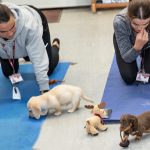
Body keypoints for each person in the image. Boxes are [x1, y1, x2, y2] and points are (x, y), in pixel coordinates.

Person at [0, 2, 60, 94]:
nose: (10, 34)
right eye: (3, 32)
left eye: (12, 27)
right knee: (9, 73)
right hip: (9, 48)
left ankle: (55, 45)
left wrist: (44, 88)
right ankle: (25, 53)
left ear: (14, 19)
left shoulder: (30, 26)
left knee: (48, 69)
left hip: (36, 22)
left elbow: (38, 57)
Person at [113, 0, 150, 84]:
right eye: (135, 24)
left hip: (148, 44)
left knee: (148, 76)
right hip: (127, 39)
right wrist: (137, 48)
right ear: (129, 17)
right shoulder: (120, 22)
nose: (141, 29)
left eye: (146, 23)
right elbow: (127, 57)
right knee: (129, 78)